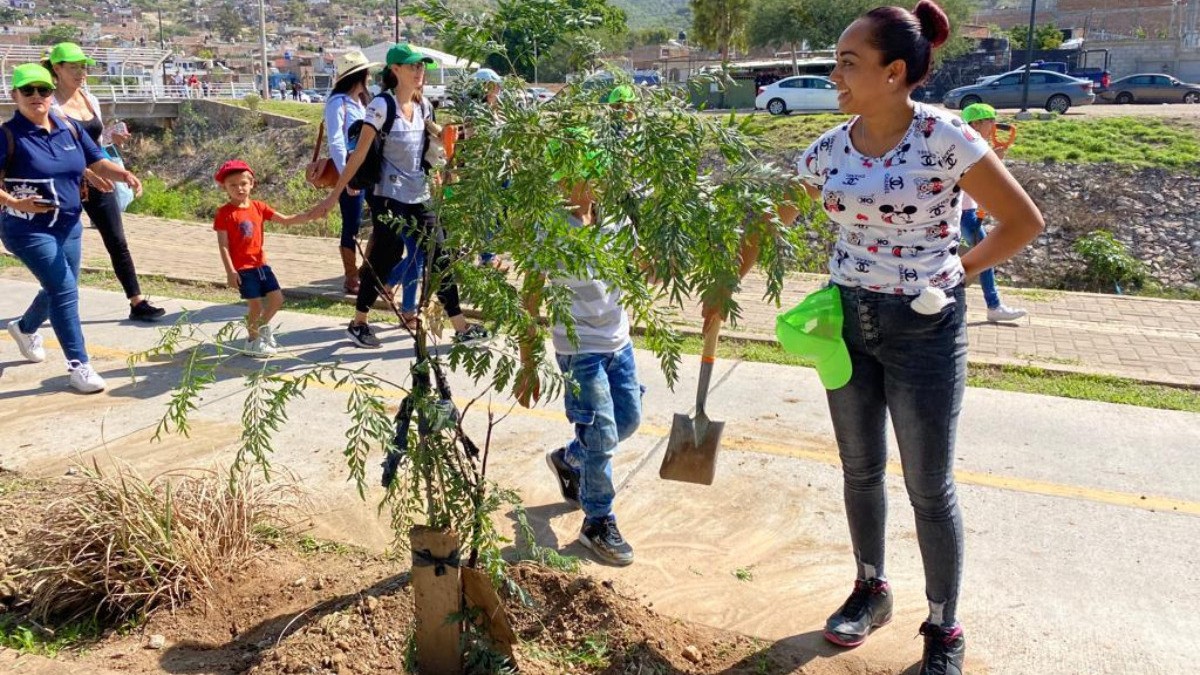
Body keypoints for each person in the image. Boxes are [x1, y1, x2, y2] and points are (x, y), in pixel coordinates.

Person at [749, 3, 1043, 673]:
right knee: (859, 470)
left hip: (925, 328)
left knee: (929, 486)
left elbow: (1022, 221)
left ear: (895, 72)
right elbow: (773, 221)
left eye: (849, 63)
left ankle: (943, 625)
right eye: (836, 63)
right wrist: (719, 277)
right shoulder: (827, 148)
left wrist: (957, 271)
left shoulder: (944, 136)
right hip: (849, 323)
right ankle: (870, 587)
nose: (835, 76)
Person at [516, 142, 642, 567]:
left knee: (628, 420)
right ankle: (597, 522)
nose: (563, 185)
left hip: (618, 342)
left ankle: (570, 459)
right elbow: (531, 294)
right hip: (579, 350)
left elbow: (638, 267)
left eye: (573, 176)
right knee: (602, 436)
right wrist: (528, 363)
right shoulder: (550, 228)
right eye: (560, 176)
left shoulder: (617, 220)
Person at [314, 43, 488, 349]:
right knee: (385, 256)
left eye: (421, 67)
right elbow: (359, 154)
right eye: (412, 66)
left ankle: (460, 327)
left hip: (419, 193)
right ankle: (359, 322)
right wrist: (335, 195)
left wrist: (481, 130)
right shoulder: (381, 106)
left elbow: (441, 136)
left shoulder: (423, 106)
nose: (419, 72)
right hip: (387, 196)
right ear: (395, 70)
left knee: (439, 256)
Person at [1, 63, 144, 393]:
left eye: (43, 90)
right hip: (27, 229)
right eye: (28, 90)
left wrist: (122, 175)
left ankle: (24, 328)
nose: (37, 96)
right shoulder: (8, 136)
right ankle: (80, 365)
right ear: (14, 95)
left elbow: (96, 159)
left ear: (51, 94)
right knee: (64, 289)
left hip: (68, 224)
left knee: (60, 286)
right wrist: (14, 203)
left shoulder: (68, 128)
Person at [45, 42, 165, 322]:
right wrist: (86, 173)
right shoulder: (49, 105)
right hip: (67, 185)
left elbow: (94, 144)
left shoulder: (90, 99)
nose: (81, 72)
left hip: (100, 179)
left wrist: (115, 154)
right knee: (60, 246)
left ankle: (137, 301)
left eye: (83, 66)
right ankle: (51, 299)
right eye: (73, 67)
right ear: (57, 69)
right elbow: (57, 150)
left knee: (117, 240)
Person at [212, 160, 321, 357]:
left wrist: (310, 215)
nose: (239, 188)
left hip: (261, 265)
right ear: (225, 187)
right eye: (233, 185)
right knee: (255, 305)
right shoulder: (224, 213)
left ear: (252, 183)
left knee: (277, 300)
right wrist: (230, 271)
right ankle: (252, 342)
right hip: (243, 269)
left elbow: (286, 220)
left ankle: (260, 330)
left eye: (243, 183)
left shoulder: (259, 207)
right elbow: (223, 245)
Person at [958, 103, 1026, 322]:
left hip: (965, 210)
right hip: (962, 212)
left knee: (977, 257)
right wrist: (993, 160)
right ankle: (992, 306)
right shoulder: (970, 145)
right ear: (976, 123)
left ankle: (983, 304)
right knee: (985, 257)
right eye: (990, 121)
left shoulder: (969, 142)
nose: (994, 126)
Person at [324, 49, 380, 296]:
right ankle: (351, 275)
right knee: (352, 223)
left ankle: (367, 268)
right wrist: (346, 176)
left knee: (382, 218)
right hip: (351, 172)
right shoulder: (338, 102)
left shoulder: (364, 101)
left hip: (368, 171)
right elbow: (336, 141)